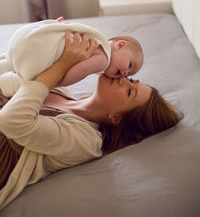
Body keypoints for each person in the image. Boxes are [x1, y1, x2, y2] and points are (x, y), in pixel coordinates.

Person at [0, 31, 183, 209]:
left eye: (129, 92)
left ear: (116, 118)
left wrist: (59, 67)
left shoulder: (86, 140)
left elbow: (11, 121)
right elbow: (13, 66)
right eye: (131, 80)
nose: (123, 78)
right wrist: (51, 42)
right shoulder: (63, 91)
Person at [0, 18, 143, 97]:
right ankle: (7, 82)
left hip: (24, 37)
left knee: (11, 62)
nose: (125, 74)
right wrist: (56, 83)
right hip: (31, 57)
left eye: (129, 74)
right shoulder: (103, 60)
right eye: (130, 65)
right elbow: (78, 72)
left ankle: (7, 63)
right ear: (120, 45)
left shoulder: (97, 36)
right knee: (27, 78)